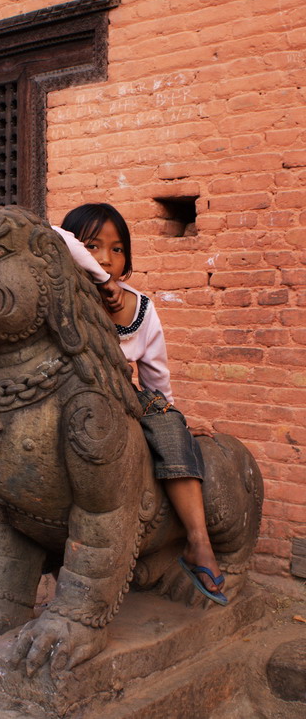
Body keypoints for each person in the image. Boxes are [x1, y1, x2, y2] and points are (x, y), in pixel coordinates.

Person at [56, 203, 227, 606]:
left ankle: (198, 544)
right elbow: (53, 234)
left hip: (124, 396)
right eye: (93, 246)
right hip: (66, 393)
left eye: (117, 250)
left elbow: (155, 376)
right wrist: (99, 280)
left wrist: (174, 417)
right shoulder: (60, 295)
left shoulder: (142, 309)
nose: (106, 259)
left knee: (170, 431)